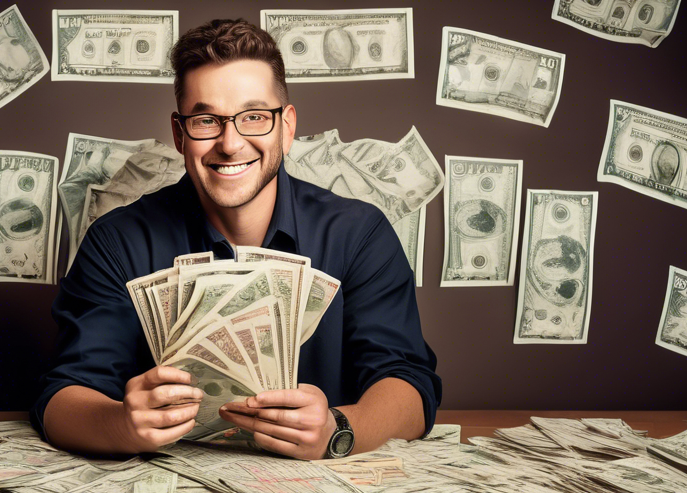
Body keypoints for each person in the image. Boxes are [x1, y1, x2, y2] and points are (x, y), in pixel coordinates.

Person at [32, 19, 440, 460]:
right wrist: (121, 425)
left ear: (287, 127)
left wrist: (339, 429)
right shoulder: (117, 241)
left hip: (317, 491)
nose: (230, 143)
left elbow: (410, 388)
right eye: (206, 119)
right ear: (179, 133)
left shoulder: (359, 234)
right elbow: (61, 398)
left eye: (254, 117)